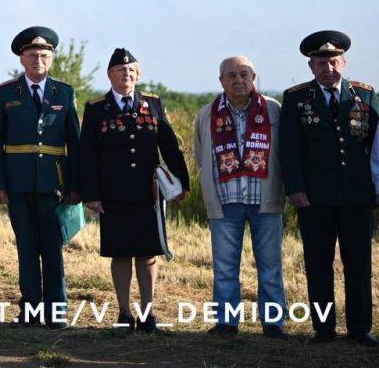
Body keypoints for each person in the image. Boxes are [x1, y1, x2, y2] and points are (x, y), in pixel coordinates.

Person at [80, 48, 189, 332]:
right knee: (120, 253)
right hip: (112, 194)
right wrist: (90, 193)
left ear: (137, 75)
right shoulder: (96, 109)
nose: (126, 75)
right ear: (110, 75)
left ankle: (148, 313)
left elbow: (170, 147)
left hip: (148, 194)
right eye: (120, 70)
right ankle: (124, 312)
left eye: (131, 71)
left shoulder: (153, 104)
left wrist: (182, 183)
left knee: (148, 253)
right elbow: (87, 155)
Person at [279, 30, 377, 346]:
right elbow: (289, 149)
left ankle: (360, 329)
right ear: (311, 66)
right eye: (321, 62)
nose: (328, 68)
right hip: (315, 198)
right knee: (318, 264)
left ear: (344, 62)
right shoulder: (295, 98)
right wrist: (295, 188)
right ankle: (323, 329)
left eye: (334, 61)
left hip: (357, 196)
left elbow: (376, 147)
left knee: (359, 264)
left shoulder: (365, 95)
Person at [0, 27, 80, 328]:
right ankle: (29, 309)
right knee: (26, 248)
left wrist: (75, 185)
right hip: (17, 183)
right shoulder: (5, 93)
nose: (38, 60)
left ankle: (57, 311)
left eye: (44, 55)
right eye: (32, 55)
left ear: (51, 58)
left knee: (52, 248)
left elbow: (75, 144)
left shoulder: (64, 93)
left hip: (53, 184)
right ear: (22, 59)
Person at [193, 56, 287, 338]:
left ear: (253, 77)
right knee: (224, 266)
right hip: (225, 201)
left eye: (244, 74)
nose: (238, 80)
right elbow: (200, 157)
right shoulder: (207, 114)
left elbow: (284, 153)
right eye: (231, 75)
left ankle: (273, 323)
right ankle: (227, 322)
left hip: (265, 201)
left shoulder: (273, 110)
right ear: (221, 80)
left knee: (270, 264)